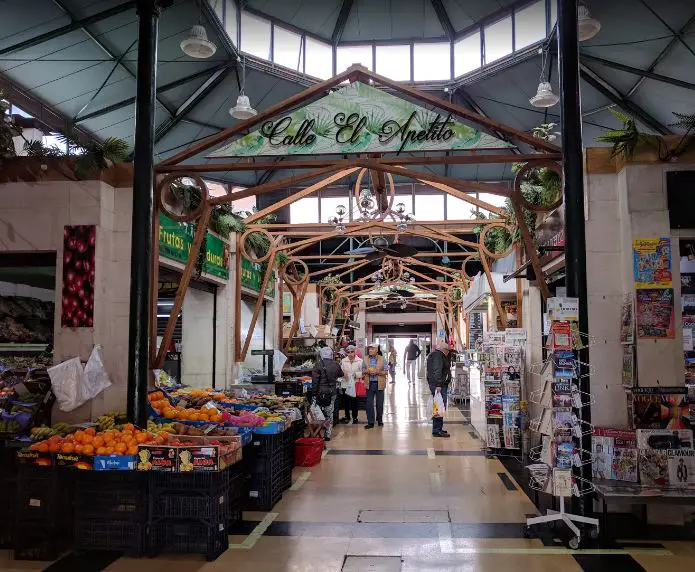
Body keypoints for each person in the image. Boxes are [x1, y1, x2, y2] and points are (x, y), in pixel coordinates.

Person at [311, 346, 344, 441]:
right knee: (329, 413)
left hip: (320, 393)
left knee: (319, 413)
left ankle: (317, 430)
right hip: (331, 393)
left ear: (321, 354)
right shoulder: (336, 365)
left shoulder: (318, 365)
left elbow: (315, 382)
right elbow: (341, 374)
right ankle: (328, 434)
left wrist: (314, 394)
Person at [426, 341, 452, 438]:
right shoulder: (438, 356)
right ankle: (437, 430)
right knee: (439, 406)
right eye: (447, 351)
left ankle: (438, 428)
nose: (448, 353)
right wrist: (438, 384)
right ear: (444, 349)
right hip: (438, 385)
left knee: (438, 405)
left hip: (437, 384)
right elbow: (437, 370)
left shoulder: (435, 354)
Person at [363, 342, 388, 429]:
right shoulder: (365, 358)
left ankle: (380, 420)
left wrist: (378, 372)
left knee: (379, 404)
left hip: (379, 383)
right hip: (369, 384)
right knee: (369, 404)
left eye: (372, 349)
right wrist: (366, 371)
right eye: (369, 349)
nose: (370, 350)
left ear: (376, 350)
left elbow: (386, 371)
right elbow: (362, 369)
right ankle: (370, 422)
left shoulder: (382, 359)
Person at [339, 345, 363, 424]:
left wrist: (356, 374)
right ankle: (347, 417)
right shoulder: (343, 361)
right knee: (346, 402)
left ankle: (355, 417)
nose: (350, 354)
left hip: (355, 384)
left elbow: (363, 373)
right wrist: (343, 374)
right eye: (348, 352)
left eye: (352, 352)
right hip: (345, 383)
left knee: (354, 402)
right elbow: (340, 371)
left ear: (355, 352)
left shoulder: (360, 361)